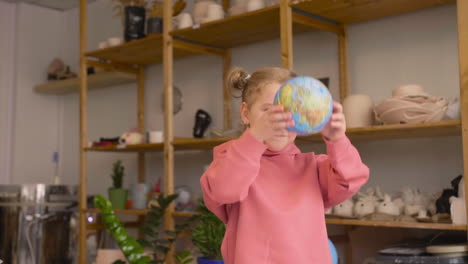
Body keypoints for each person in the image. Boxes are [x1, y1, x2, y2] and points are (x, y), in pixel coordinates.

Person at [200, 67, 369, 264]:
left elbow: (352, 180)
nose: (280, 123)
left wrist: (337, 140)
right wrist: (254, 138)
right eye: (269, 111)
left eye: (290, 112)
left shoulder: (313, 167)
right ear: (246, 113)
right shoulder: (230, 159)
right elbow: (223, 190)